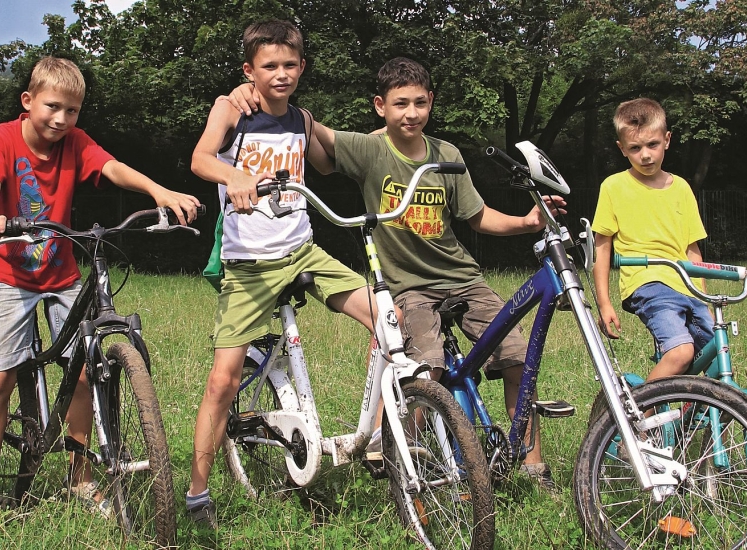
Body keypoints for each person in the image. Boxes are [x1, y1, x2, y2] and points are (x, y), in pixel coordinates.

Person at [226, 56, 566, 491]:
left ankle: (533, 468)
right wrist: (251, 92)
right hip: (408, 289)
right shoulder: (371, 149)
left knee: (519, 357)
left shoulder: (448, 154)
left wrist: (527, 222)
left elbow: (476, 216)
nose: (411, 113)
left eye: (420, 103)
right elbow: (311, 129)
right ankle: (400, 458)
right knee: (427, 372)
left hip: (463, 277)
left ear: (431, 103)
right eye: (400, 103)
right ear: (379, 106)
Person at [0, 56, 200, 530]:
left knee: (83, 374)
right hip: (10, 272)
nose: (62, 119)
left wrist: (158, 192)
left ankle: (81, 477)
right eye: (53, 107)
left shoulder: (75, 143)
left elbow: (111, 167)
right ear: (28, 101)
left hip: (61, 271)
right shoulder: (3, 138)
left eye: (72, 111)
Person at [186, 20, 378, 529]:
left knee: (388, 317)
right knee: (223, 380)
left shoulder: (301, 118)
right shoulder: (232, 109)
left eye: (290, 65)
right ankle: (197, 493)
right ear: (249, 70)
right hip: (248, 264)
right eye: (269, 66)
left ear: (302, 68)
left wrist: (382, 138)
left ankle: (379, 440)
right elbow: (201, 159)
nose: (281, 74)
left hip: (302, 251)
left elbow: (327, 163)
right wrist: (236, 175)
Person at [591, 97, 713, 382]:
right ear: (622, 149)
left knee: (716, 351)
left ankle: (687, 412)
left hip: (686, 285)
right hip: (648, 284)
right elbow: (602, 247)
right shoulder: (614, 187)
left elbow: (692, 250)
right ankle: (641, 415)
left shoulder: (681, 188)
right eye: (635, 148)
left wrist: (703, 297)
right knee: (681, 352)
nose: (645, 155)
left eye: (652, 145)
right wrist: (604, 303)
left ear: (667, 140)